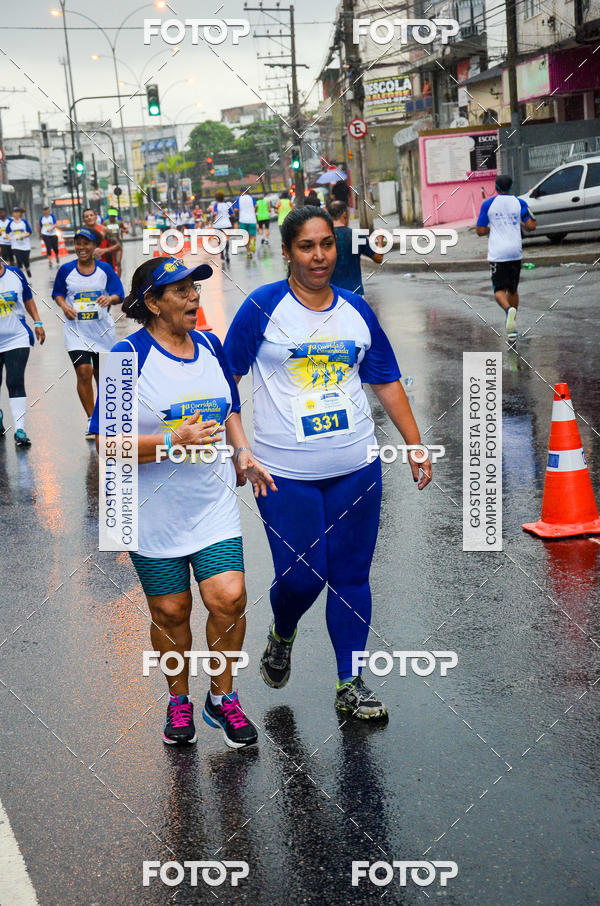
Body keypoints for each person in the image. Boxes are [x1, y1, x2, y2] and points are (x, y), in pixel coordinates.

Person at [224, 206, 432, 721]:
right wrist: (240, 447)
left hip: (357, 466)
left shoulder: (356, 309)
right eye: (306, 247)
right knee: (302, 578)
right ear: (287, 252)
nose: (319, 257)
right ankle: (282, 631)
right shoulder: (262, 307)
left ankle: (349, 682)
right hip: (283, 473)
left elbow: (384, 378)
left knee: (352, 575)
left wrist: (415, 443)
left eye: (327, 245)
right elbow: (223, 378)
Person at [91, 256, 275, 747]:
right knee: (171, 612)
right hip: (150, 512)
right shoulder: (124, 358)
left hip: (211, 502)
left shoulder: (212, 345)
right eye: (180, 291)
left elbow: (230, 406)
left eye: (195, 288)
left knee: (229, 597)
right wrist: (175, 440)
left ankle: (224, 696)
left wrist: (243, 454)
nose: (194, 298)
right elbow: (106, 444)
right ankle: (178, 699)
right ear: (151, 303)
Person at [52, 227, 124, 438]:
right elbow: (57, 292)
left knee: (102, 376)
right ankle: (92, 420)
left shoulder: (105, 270)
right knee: (83, 372)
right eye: (78, 243)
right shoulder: (66, 270)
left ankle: (105, 416)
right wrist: (64, 306)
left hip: (102, 332)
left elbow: (118, 293)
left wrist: (109, 299)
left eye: (86, 243)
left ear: (94, 246)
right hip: (76, 331)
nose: (81, 248)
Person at [476, 173, 536, 339]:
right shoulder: (520, 202)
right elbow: (531, 225)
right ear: (511, 187)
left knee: (499, 291)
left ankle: (508, 311)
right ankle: (512, 326)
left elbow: (480, 230)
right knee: (513, 289)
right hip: (515, 252)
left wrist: (491, 228)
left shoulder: (488, 204)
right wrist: (521, 222)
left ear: (495, 187)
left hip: (498, 253)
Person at [0, 256, 45, 446]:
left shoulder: (15, 274)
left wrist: (37, 322)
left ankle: (20, 429)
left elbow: (28, 299)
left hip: (16, 338)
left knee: (15, 380)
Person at [328, 200, 384, 295]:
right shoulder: (357, 236)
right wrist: (380, 241)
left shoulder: (323, 238)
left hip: (330, 294)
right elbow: (378, 258)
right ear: (345, 214)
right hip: (354, 292)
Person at [7, 208, 33, 278]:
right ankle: (21, 276)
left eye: (17, 212)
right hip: (15, 245)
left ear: (20, 213)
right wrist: (9, 237)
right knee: (19, 260)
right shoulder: (11, 223)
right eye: (15, 212)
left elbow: (29, 232)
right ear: (13, 213)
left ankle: (27, 268)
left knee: (26, 260)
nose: (16, 214)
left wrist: (23, 236)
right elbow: (7, 232)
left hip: (25, 246)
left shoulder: (24, 222)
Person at [232, 190, 257, 258]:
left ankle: (248, 252)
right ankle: (252, 242)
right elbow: (256, 206)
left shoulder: (238, 198)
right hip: (252, 219)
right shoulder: (251, 197)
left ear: (240, 192)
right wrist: (253, 211)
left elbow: (236, 209)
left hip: (243, 220)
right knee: (252, 235)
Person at [210, 190, 233, 263]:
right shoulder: (227, 205)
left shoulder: (216, 205)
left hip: (218, 225)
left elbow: (214, 213)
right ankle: (227, 254)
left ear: (216, 198)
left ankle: (222, 254)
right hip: (227, 224)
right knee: (226, 239)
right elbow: (232, 214)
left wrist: (212, 219)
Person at [103, 209, 125, 276]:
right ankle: (112, 277)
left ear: (115, 216)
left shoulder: (119, 223)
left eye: (113, 216)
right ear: (108, 216)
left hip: (118, 244)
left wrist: (122, 230)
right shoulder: (105, 223)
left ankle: (118, 279)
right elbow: (102, 232)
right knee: (112, 263)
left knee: (118, 262)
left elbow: (124, 228)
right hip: (109, 245)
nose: (112, 217)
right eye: (111, 216)